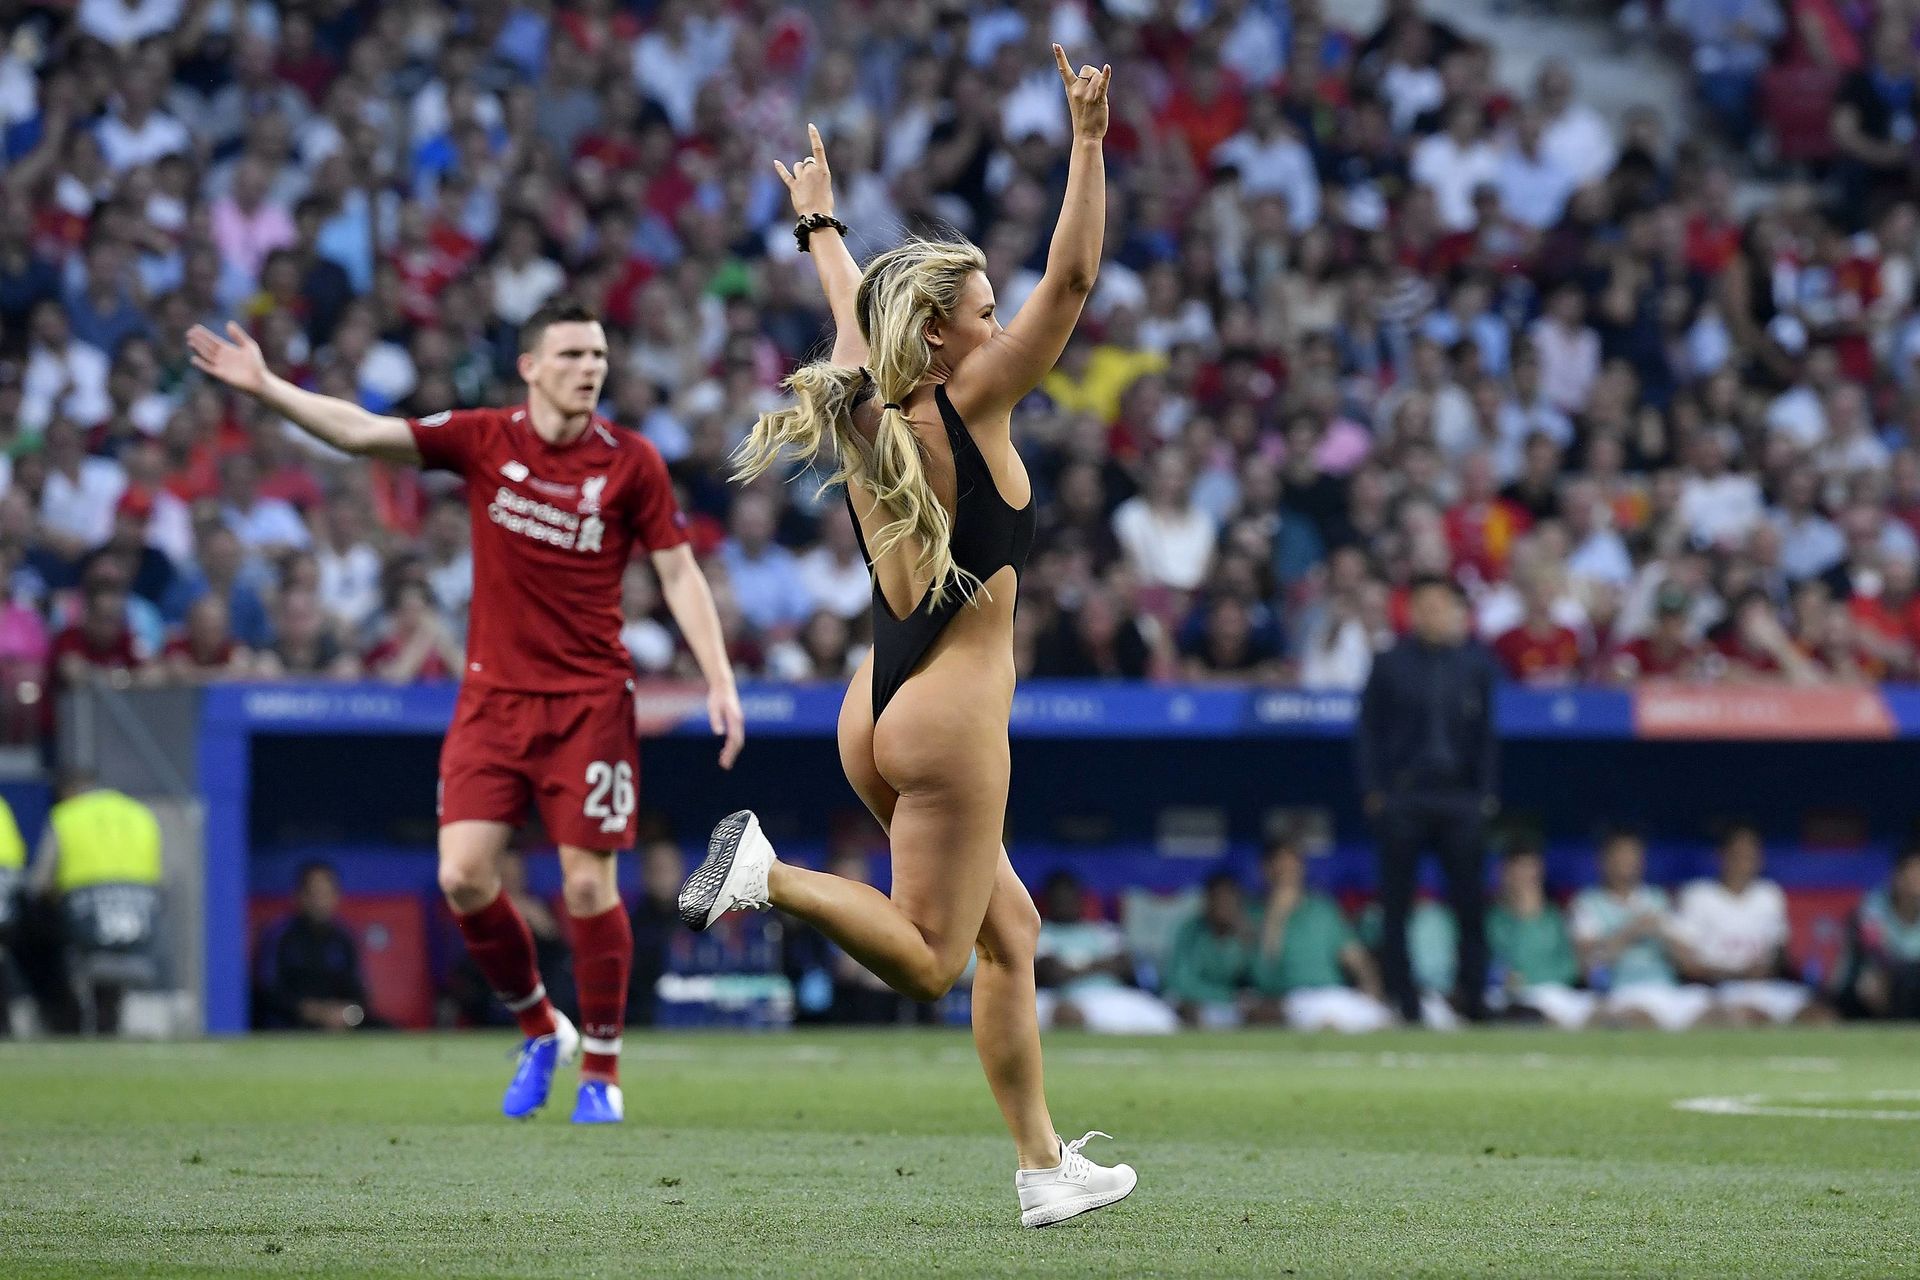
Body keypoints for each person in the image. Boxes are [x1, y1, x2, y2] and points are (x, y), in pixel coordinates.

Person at [674, 54, 1137, 1228]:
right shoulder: (970, 401)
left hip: (873, 703)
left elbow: (850, 304)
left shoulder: (860, 392)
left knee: (1010, 929)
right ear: (938, 333)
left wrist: (819, 221)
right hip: (951, 718)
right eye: (983, 311)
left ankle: (1043, 1166)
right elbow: (1076, 277)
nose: (999, 323)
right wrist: (1088, 143)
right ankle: (765, 872)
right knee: (934, 957)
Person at [186, 299, 745, 1125]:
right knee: (462, 877)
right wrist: (267, 387)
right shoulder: (486, 438)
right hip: (492, 700)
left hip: (590, 701)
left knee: (586, 886)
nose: (589, 368)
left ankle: (601, 1071)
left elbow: (679, 573)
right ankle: (539, 1027)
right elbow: (362, 433)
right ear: (529, 366)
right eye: (570, 355)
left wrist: (719, 676)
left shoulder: (632, 462)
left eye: (597, 355)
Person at [1357, 574, 1499, 1024]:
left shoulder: (1475, 665)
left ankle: (1473, 997)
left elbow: (1487, 737)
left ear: (1456, 611)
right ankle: (1404, 999)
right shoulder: (1389, 664)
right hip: (1405, 794)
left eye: (1441, 605)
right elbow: (1367, 732)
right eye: (1425, 606)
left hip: (1459, 795)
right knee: (1396, 905)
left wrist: (1486, 795)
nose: (1433, 614)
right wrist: (1373, 791)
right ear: (1412, 611)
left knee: (1470, 903)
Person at [27, 773, 163, 1035]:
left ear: (68, 792)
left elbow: (40, 883)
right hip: (140, 919)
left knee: (40, 935)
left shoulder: (67, 817)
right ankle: (107, 1015)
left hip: (84, 920)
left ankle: (65, 1019)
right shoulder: (140, 814)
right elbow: (161, 879)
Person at [1672, 824, 1825, 1025]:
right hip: (1714, 990)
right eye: (1738, 854)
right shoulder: (1698, 895)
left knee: (1818, 1016)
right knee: (1746, 1017)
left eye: (1751, 854)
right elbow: (1687, 965)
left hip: (1763, 987)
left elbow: (1779, 950)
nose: (1744, 861)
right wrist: (1736, 973)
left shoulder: (1769, 894)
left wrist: (1769, 966)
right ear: (1721, 856)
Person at [1569, 831, 1712, 1031]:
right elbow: (1588, 966)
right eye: (1620, 855)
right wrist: (1631, 931)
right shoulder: (1588, 903)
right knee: (1638, 1018)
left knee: (1717, 1012)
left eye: (1632, 855)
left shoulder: (1658, 898)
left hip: (1667, 990)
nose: (1626, 861)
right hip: (1623, 992)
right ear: (1603, 861)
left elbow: (1689, 961)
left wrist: (1662, 932)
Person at [1246, 839, 1393, 1033]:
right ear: (1266, 870)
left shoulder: (1323, 909)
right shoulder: (1253, 915)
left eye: (1291, 866)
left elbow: (1356, 959)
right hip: (1291, 998)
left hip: (1334, 994)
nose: (1287, 873)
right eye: (1280, 867)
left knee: (1383, 1020)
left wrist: (1371, 991)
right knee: (1325, 1021)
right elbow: (1262, 976)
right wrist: (1275, 917)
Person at [1032, 870, 1178, 1034]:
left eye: (1070, 898)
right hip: (1058, 997)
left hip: (1106, 996)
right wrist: (1100, 965)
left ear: (1081, 900)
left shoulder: (1103, 931)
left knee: (1165, 1019)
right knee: (1062, 1013)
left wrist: (1074, 968)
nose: (1065, 904)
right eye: (1060, 899)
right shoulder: (1039, 932)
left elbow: (1124, 964)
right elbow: (1051, 973)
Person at [252, 861, 379, 1032]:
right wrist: (311, 1012)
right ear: (299, 896)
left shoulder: (345, 938)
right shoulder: (279, 935)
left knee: (385, 1030)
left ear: (336, 896)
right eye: (313, 893)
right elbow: (267, 990)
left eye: (325, 893)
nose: (319, 902)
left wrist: (346, 1014)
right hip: (290, 1025)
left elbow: (360, 992)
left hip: (339, 1025)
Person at [1486, 841, 1594, 1028]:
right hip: (1508, 996)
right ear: (1504, 874)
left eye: (1531, 870)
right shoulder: (1492, 919)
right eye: (1519, 870)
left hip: (1554, 992)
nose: (1525, 878)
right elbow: (1489, 962)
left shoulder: (1556, 916)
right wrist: (1522, 918)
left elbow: (1570, 969)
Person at [1833, 844, 1920, 1020]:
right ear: (1897, 877)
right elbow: (1876, 955)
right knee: (1876, 982)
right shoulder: (1872, 906)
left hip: (1911, 985)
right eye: (1914, 874)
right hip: (1865, 981)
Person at [1161, 872, 1254, 1028]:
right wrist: (1227, 996)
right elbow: (1182, 982)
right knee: (1181, 1007)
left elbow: (1256, 981)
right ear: (1207, 901)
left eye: (1228, 900)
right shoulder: (1191, 930)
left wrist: (1248, 945)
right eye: (1217, 899)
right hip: (1199, 1003)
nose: (1223, 906)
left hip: (1234, 1008)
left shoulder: (1247, 932)